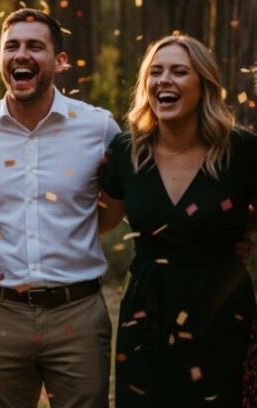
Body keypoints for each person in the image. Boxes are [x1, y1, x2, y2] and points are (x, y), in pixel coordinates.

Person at [0, 8, 120, 408]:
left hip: (77, 313)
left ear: (60, 61)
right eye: (11, 46)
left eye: (35, 46)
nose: (21, 54)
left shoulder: (98, 128)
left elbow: (115, 208)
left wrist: (70, 237)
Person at [99, 35, 257, 406]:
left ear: (204, 85)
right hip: (146, 311)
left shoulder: (242, 150)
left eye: (179, 71)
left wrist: (235, 229)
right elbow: (101, 221)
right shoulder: (126, 151)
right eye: (155, 72)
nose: (163, 80)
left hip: (221, 307)